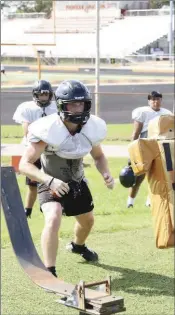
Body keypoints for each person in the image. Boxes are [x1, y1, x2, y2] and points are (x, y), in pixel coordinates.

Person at [19, 80, 115, 277]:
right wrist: (48, 180)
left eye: (81, 103)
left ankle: (78, 246)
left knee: (87, 222)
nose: (78, 108)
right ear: (62, 105)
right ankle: (49, 271)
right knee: (53, 218)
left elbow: (99, 156)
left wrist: (105, 173)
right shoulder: (47, 129)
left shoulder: (91, 127)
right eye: (73, 104)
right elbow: (24, 164)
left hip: (77, 183)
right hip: (51, 182)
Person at [13, 80, 57, 218]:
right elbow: (26, 131)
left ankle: (50, 206)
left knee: (53, 181)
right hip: (33, 149)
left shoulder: (56, 107)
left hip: (51, 150)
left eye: (46, 94)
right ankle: (28, 211)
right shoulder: (27, 107)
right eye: (41, 94)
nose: (44, 97)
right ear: (35, 94)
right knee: (32, 185)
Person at [126, 90, 172, 208]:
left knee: (158, 176)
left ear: (161, 100)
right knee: (139, 176)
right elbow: (136, 133)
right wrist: (132, 153)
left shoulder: (167, 113)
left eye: (158, 99)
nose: (156, 102)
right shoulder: (143, 112)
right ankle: (130, 202)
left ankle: (150, 201)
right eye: (153, 99)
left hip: (160, 146)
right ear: (149, 101)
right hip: (145, 145)